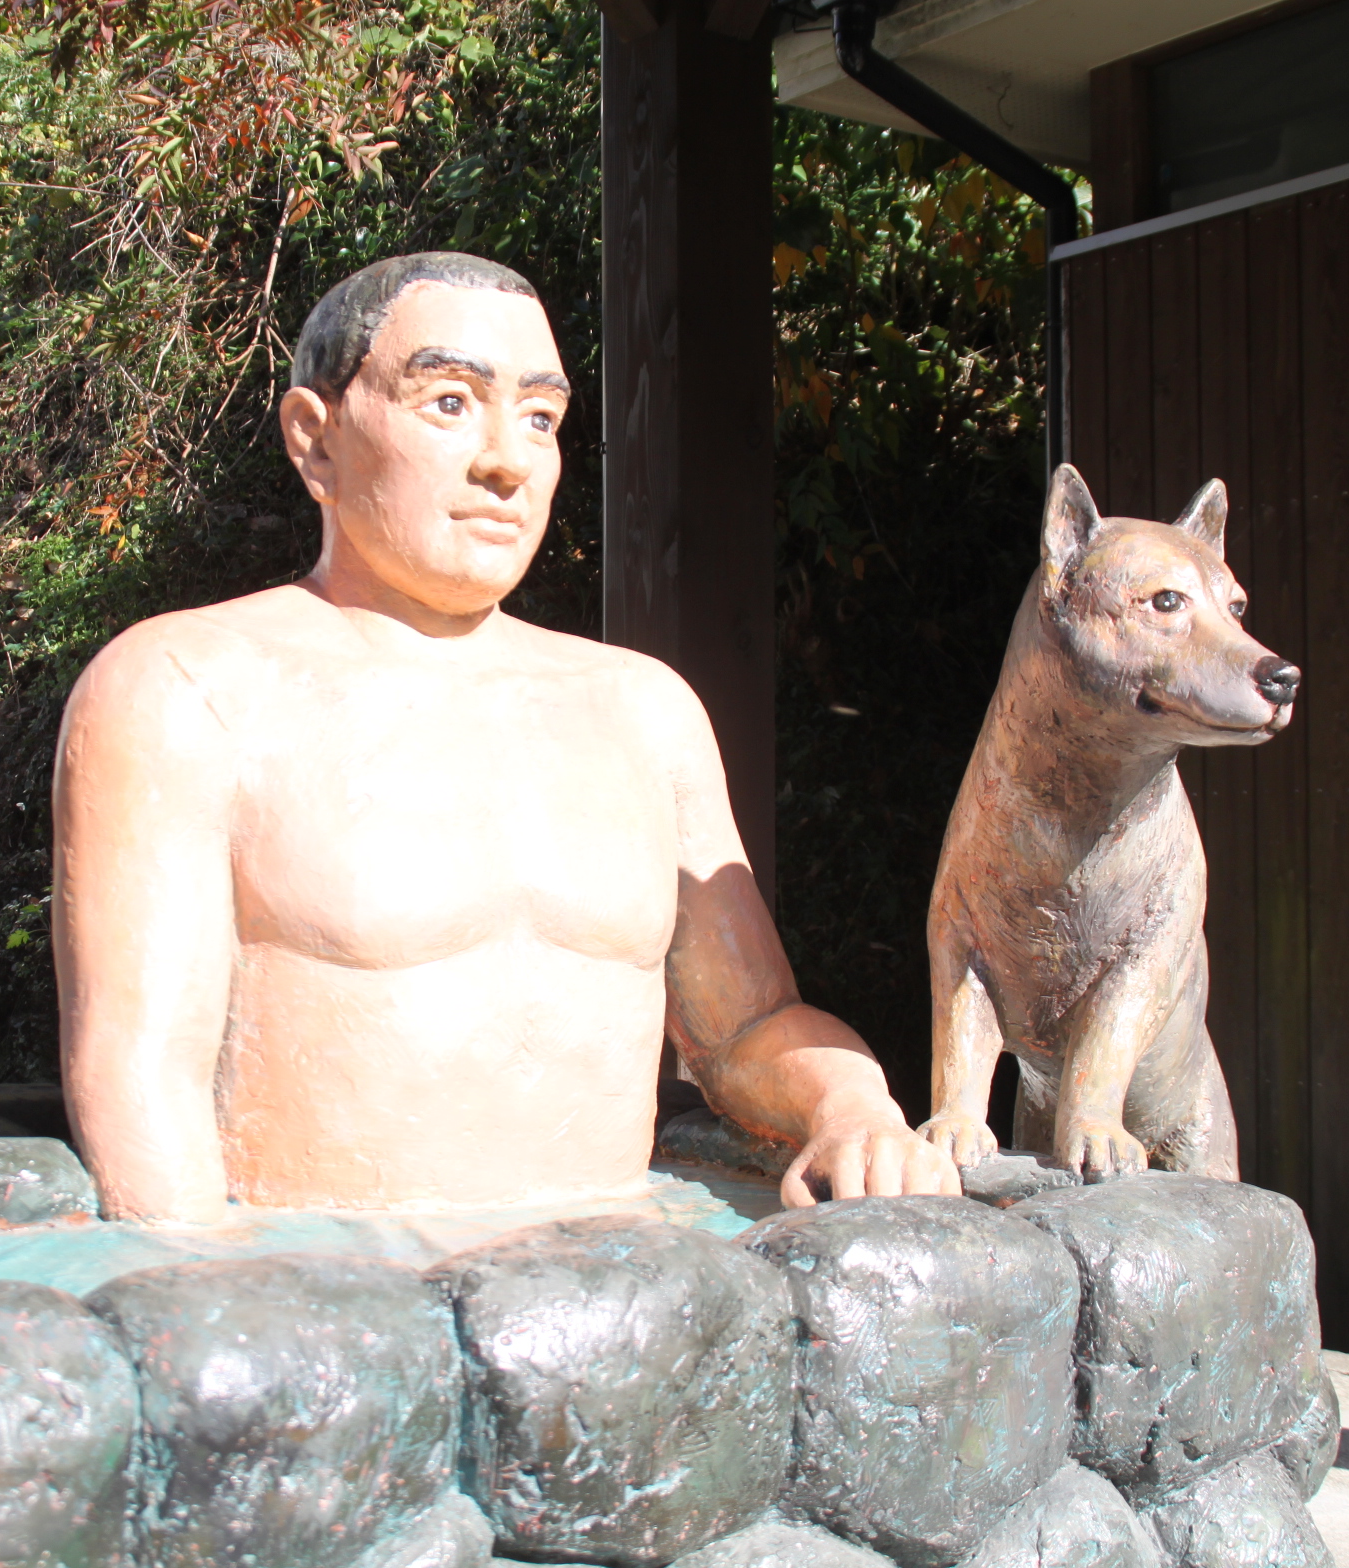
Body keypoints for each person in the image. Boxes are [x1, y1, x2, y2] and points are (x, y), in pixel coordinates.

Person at [52, 251, 957, 1223]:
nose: (507, 460)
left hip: (621, 1281)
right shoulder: (185, 689)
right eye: (449, 402)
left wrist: (854, 1104)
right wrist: (216, 1313)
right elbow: (144, 1073)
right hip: (337, 1290)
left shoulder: (645, 711)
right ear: (316, 440)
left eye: (539, 418)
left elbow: (746, 1030)